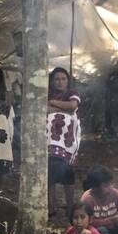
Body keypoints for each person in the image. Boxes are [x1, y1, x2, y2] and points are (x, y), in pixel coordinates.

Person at [47, 67, 81, 216]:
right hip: (49, 139)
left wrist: (53, 103)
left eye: (63, 79)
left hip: (67, 140)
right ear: (52, 81)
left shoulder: (72, 93)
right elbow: (43, 110)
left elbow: (73, 106)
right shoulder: (46, 93)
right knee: (49, 171)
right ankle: (51, 205)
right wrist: (62, 109)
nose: (60, 82)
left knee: (68, 171)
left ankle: (69, 206)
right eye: (56, 79)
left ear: (68, 81)